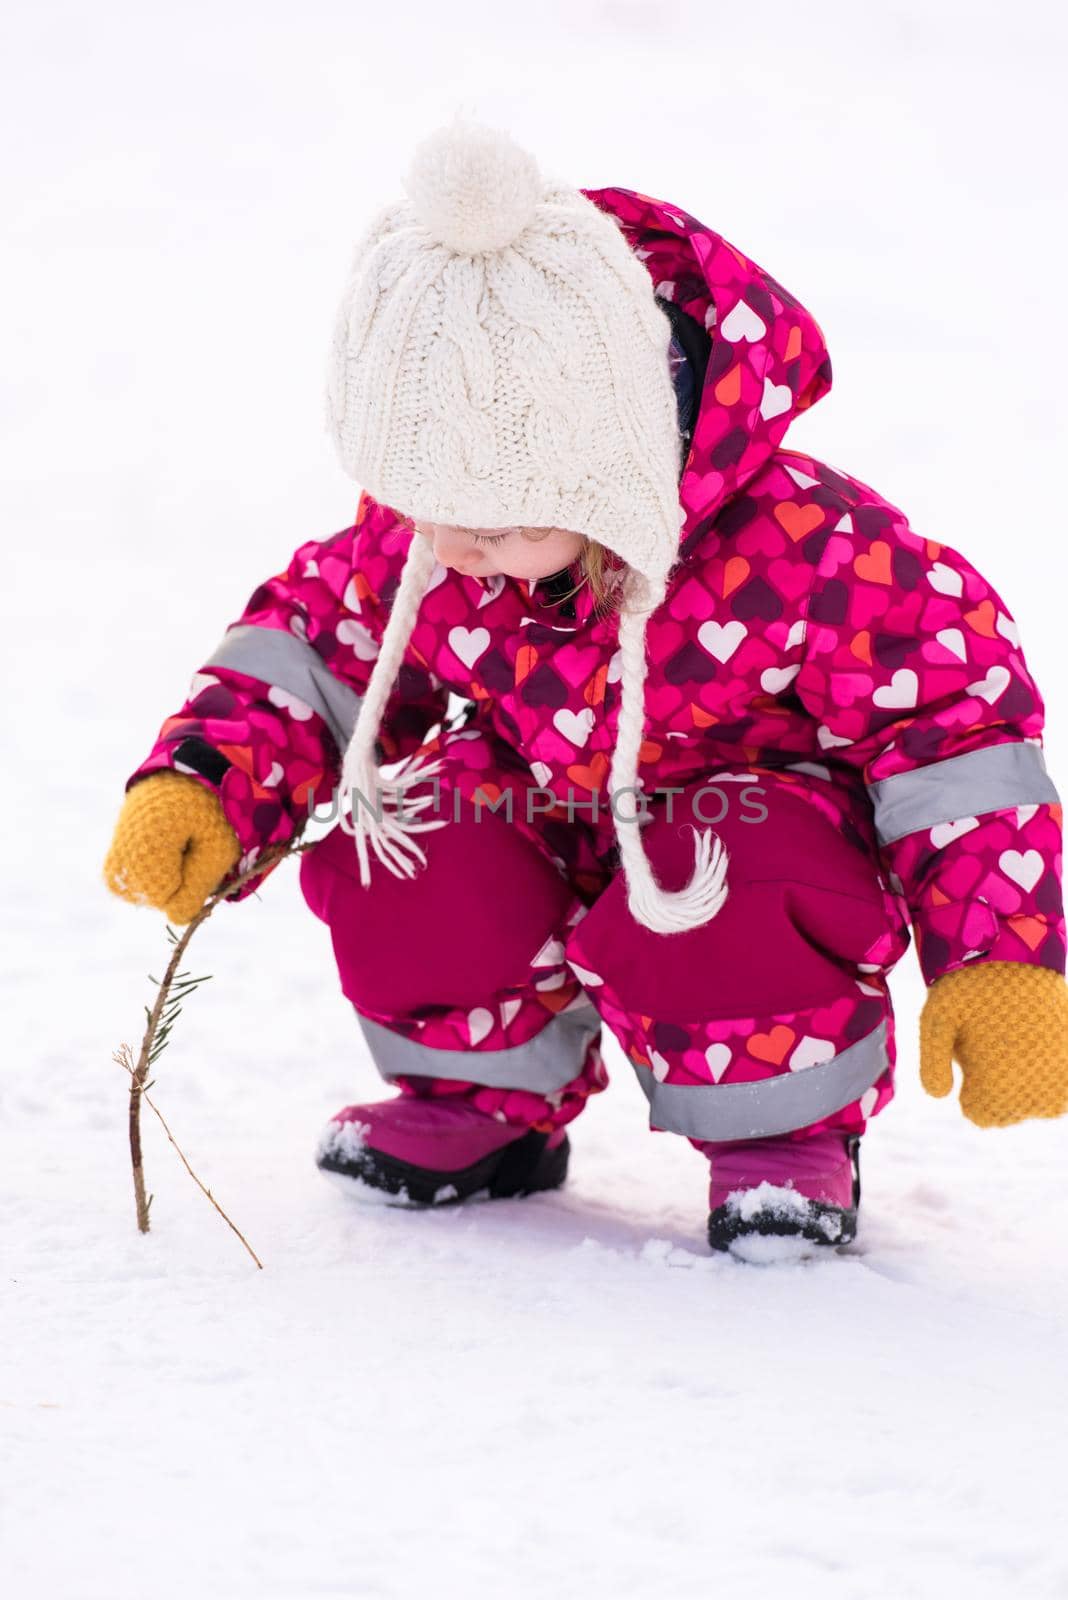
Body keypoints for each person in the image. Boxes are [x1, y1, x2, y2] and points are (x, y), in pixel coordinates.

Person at [103, 117, 1068, 1255]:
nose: (450, 546)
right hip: (539, 808)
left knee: (732, 858)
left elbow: (956, 740)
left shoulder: (810, 553)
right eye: (421, 504)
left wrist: (1004, 956)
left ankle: (780, 1134)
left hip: (737, 822)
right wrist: (207, 782)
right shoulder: (439, 541)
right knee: (409, 828)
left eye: (493, 521)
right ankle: (481, 1102)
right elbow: (314, 650)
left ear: (607, 469)